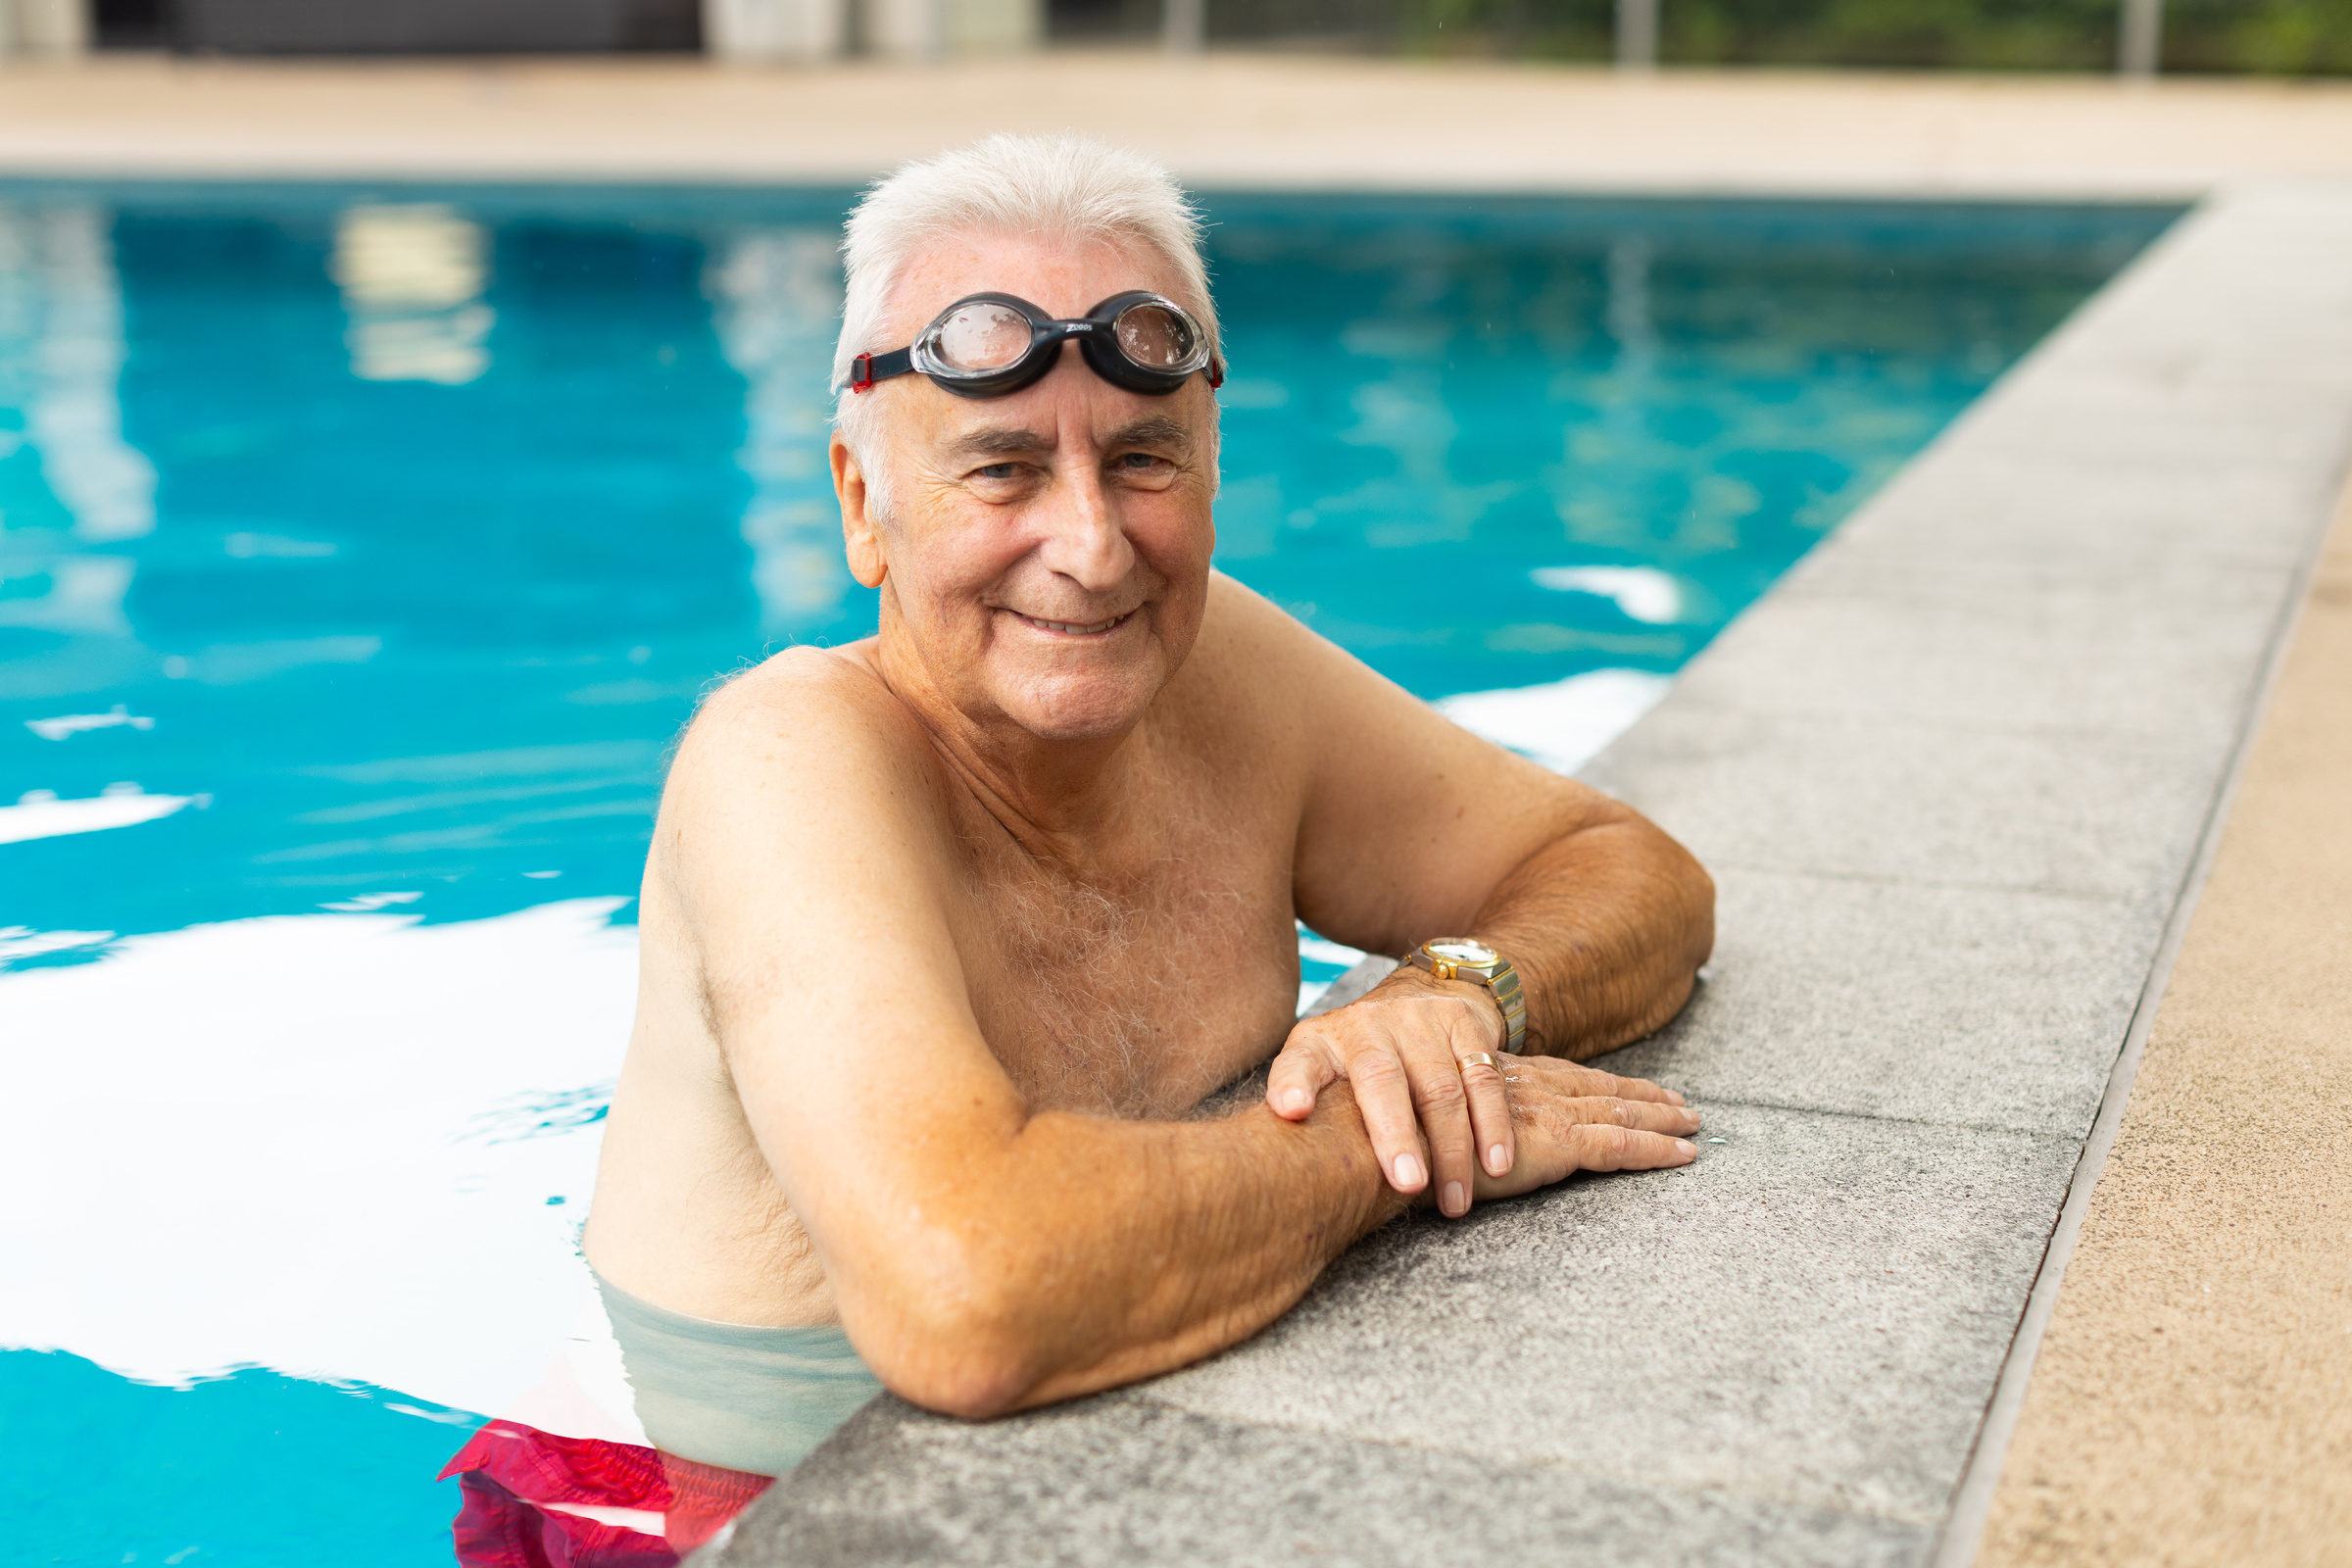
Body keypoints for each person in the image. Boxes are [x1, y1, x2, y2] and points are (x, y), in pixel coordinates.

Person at [449, 130, 1715, 1565]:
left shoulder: (1222, 674)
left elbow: (1625, 866)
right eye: (1001, 469)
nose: (1094, 547)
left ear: (1215, 462)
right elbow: (967, 1297)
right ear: (865, 506)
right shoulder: (788, 759)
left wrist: (1457, 995)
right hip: (708, 1511)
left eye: (1142, 460)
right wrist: (1387, 1139)